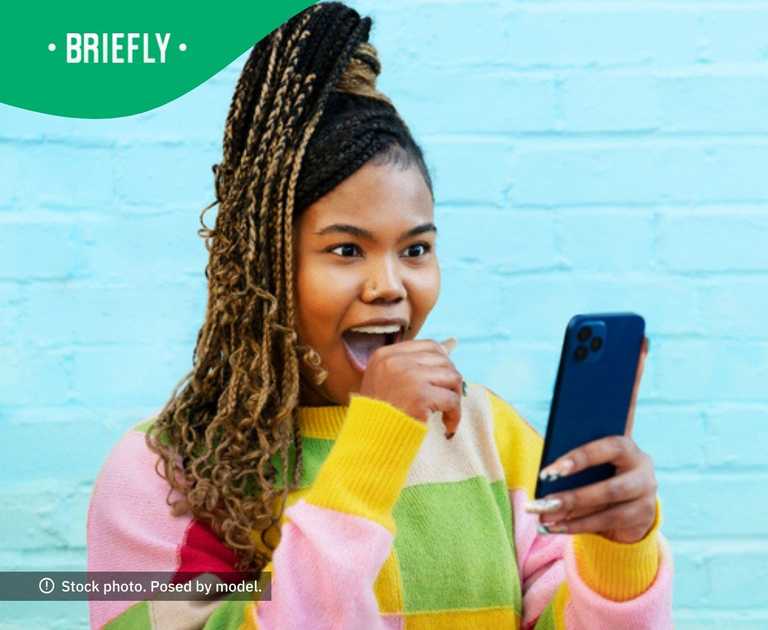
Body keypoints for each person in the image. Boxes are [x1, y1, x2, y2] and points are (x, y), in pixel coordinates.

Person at [86, 3, 672, 628]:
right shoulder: (163, 471)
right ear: (264, 267)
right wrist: (373, 448)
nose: (389, 287)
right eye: (346, 250)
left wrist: (619, 553)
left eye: (415, 249)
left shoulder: (495, 441)